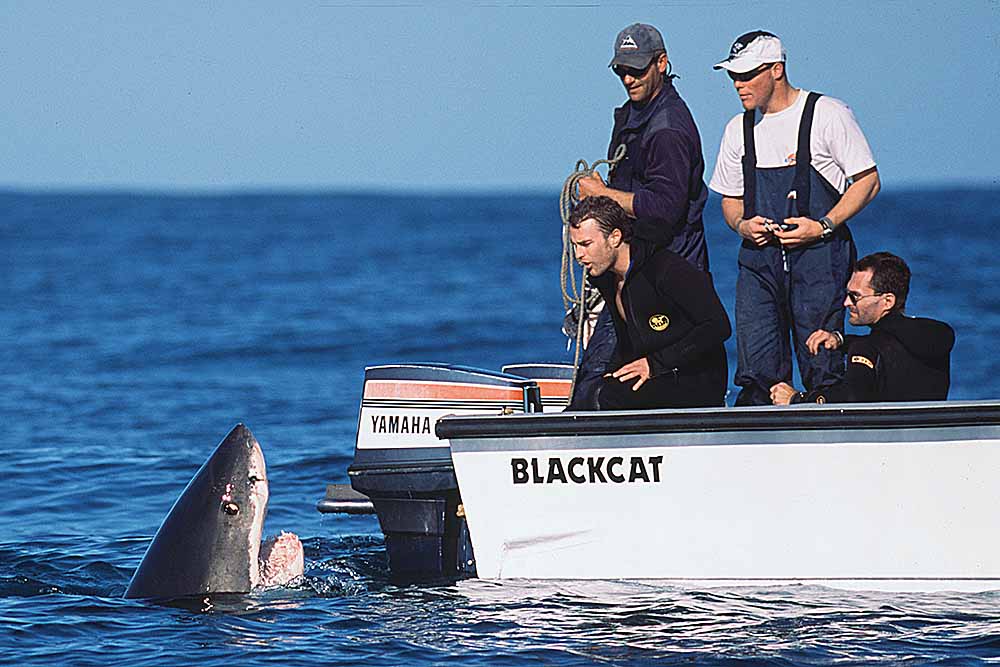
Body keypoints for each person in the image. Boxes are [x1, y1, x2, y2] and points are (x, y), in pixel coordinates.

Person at [709, 30, 881, 406]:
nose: (738, 84)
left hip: (820, 262)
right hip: (759, 264)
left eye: (747, 75)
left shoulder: (827, 114)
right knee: (757, 373)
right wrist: (742, 225)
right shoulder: (737, 129)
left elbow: (868, 182)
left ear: (776, 69)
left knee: (824, 363)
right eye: (733, 76)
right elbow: (730, 200)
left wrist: (821, 226)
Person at [569, 22, 711, 410]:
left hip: (667, 269)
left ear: (661, 63)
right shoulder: (636, 114)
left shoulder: (667, 128)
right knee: (611, 371)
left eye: (636, 69)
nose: (628, 79)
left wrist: (602, 194)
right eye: (621, 71)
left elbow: (665, 208)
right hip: (634, 268)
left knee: (603, 378)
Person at [568, 196, 730, 410]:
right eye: (575, 246)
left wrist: (655, 364)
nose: (578, 255)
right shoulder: (608, 279)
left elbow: (718, 325)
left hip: (697, 378)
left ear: (614, 237)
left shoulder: (666, 268)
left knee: (604, 397)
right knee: (589, 391)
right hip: (657, 374)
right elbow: (627, 344)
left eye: (586, 244)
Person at [770, 252, 954, 405]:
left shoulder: (867, 348)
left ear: (887, 301)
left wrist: (797, 398)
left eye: (855, 296)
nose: (846, 303)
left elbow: (851, 398)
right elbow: (890, 341)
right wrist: (841, 340)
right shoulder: (934, 337)